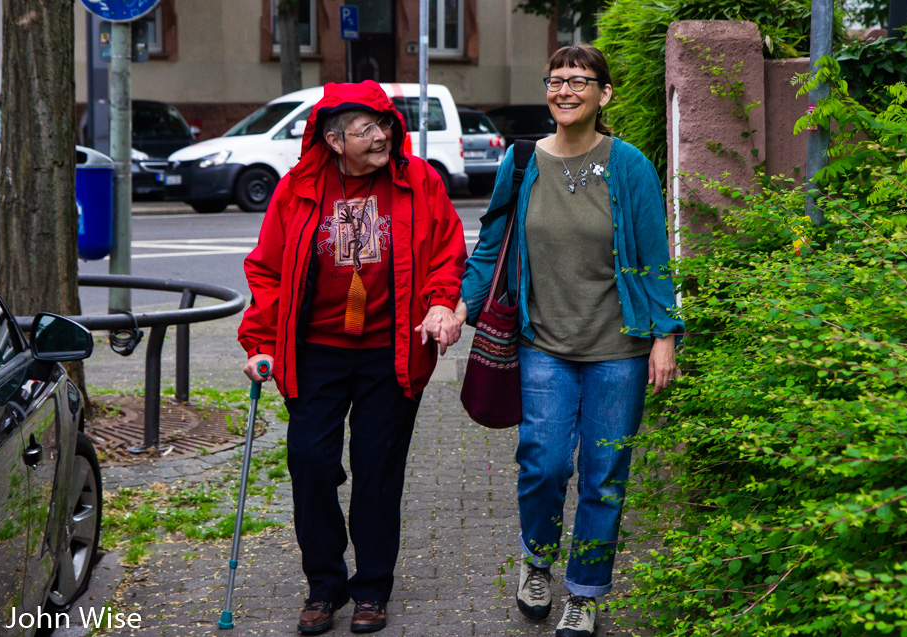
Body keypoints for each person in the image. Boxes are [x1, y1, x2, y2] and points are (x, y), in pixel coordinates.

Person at [459, 44, 683, 637]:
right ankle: (537, 563)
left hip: (620, 348)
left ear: (603, 95)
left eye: (579, 81)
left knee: (605, 473)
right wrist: (458, 306)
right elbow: (492, 244)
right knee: (545, 463)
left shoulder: (629, 164)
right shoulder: (523, 160)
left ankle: (584, 591)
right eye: (556, 80)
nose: (565, 90)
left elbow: (656, 257)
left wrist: (665, 335)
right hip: (543, 345)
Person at [238, 80, 467, 635]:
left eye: (385, 125)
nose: (381, 137)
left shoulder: (419, 182)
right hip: (314, 350)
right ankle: (324, 583)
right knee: (310, 463)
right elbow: (267, 269)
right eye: (366, 130)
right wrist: (260, 342)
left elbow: (446, 252)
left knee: (377, 472)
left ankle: (371, 589)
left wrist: (441, 306)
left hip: (390, 351)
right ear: (335, 140)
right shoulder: (298, 189)